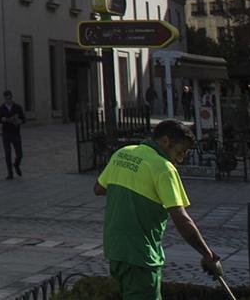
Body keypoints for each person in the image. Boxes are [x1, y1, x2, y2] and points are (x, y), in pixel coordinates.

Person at [93, 119, 222, 300]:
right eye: (181, 151)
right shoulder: (163, 168)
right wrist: (207, 254)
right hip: (140, 254)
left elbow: (99, 188)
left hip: (115, 249)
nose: (181, 158)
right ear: (166, 141)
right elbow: (182, 219)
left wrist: (129, 187)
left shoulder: (122, 154)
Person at [0, 89, 27, 178]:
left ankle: (16, 165)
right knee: (7, 154)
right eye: (6, 99)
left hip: (15, 133)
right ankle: (10, 173)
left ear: (11, 98)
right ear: (4, 99)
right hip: (6, 133)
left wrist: (19, 121)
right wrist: (2, 119)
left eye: (9, 99)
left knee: (19, 154)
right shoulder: (1, 108)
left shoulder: (17, 107)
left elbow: (23, 119)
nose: (8, 101)